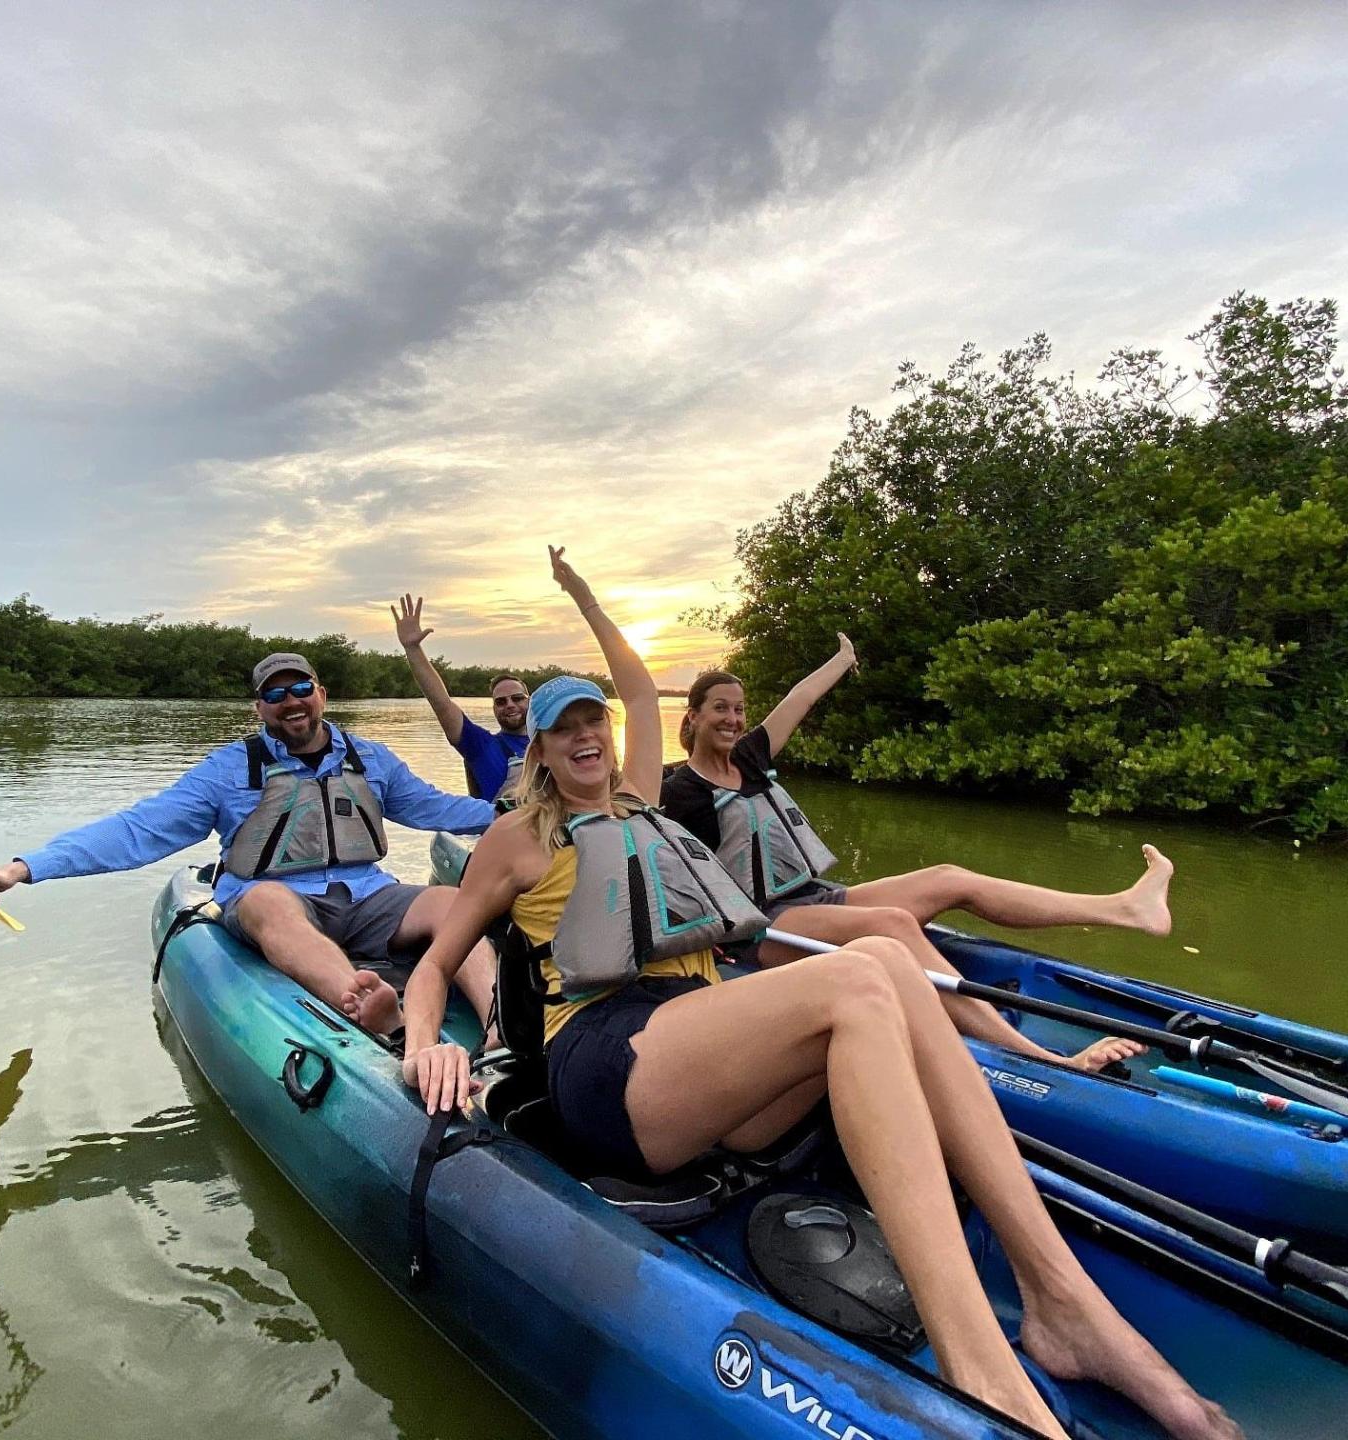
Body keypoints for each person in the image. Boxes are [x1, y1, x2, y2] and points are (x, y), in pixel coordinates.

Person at [398, 549, 1237, 1440]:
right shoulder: (516, 840)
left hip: (703, 1049)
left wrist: (584, 596)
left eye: (589, 722)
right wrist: (427, 1043)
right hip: (609, 1064)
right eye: (562, 730)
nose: (583, 738)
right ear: (540, 749)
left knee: (884, 958)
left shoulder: (642, 800)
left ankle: (1064, 1301)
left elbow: (641, 691)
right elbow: (430, 964)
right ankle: (981, 1368)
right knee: (856, 977)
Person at [0, 652, 500, 1037]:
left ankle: (497, 1029)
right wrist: (21, 870)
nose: (291, 700)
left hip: (368, 896)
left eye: (300, 687)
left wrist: (518, 816)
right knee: (269, 902)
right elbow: (138, 830)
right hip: (275, 901)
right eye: (276, 695)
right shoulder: (229, 770)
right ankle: (368, 1007)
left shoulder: (370, 758)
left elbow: (440, 809)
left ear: (321, 693)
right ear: (259, 708)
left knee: (452, 901)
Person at [660, 644, 1178, 1072]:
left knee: (949, 879)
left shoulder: (751, 757)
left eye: (739, 708)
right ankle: (1045, 1060)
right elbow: (671, 880)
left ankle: (1125, 908)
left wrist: (843, 657)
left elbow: (802, 696)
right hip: (763, 930)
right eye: (720, 708)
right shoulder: (681, 792)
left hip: (812, 899)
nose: (733, 718)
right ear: (695, 716)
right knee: (891, 922)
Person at [393, 594, 531, 801]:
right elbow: (443, 705)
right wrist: (413, 649)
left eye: (517, 698)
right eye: (501, 701)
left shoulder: (555, 743)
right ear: (493, 708)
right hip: (507, 830)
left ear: (530, 700)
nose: (510, 705)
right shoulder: (482, 746)